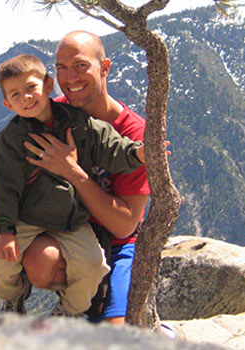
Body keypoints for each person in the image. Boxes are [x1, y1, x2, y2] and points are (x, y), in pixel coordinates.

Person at [0, 53, 147, 317]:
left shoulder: (77, 122)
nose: (25, 97)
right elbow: (3, 188)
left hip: (73, 220)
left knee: (93, 266)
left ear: (47, 85)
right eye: (15, 95)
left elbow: (108, 145)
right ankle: (13, 298)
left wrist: (136, 154)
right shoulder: (10, 141)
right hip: (28, 218)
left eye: (30, 88)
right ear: (7, 104)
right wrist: (5, 230)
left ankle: (69, 312)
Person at [21, 30, 151, 325]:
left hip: (120, 245)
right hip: (72, 234)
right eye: (61, 68)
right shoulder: (52, 115)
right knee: (39, 264)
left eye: (81, 66)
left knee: (115, 336)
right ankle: (77, 311)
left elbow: (124, 224)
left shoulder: (134, 135)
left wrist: (72, 171)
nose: (70, 78)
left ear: (104, 68)